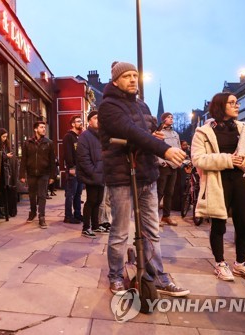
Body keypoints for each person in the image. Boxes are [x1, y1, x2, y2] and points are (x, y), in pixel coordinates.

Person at [99, 61, 190, 296]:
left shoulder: (142, 105)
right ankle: (116, 275)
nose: (132, 79)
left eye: (135, 75)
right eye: (127, 75)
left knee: (152, 230)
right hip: (122, 177)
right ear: (116, 80)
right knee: (120, 230)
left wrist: (151, 135)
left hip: (146, 175)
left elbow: (143, 132)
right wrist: (164, 148)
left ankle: (157, 275)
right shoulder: (108, 106)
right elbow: (130, 131)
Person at [192, 92, 245, 281]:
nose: (237, 105)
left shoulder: (243, 128)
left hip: (242, 179)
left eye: (237, 102)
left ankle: (241, 263)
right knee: (219, 224)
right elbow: (198, 159)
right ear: (220, 106)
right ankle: (220, 263)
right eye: (232, 103)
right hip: (219, 181)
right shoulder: (204, 132)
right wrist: (227, 159)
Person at [76, 110, 108, 238]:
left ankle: (95, 225)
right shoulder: (85, 136)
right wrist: (94, 173)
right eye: (95, 118)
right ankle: (86, 227)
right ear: (89, 120)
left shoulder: (102, 135)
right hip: (93, 175)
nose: (98, 120)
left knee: (98, 201)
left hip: (102, 174)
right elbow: (83, 158)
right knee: (91, 201)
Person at [19, 121, 56, 229]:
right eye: (41, 127)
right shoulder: (27, 143)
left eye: (44, 127)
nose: (44, 129)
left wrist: (52, 176)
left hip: (44, 173)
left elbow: (52, 161)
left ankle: (42, 216)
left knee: (42, 195)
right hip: (31, 173)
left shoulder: (49, 143)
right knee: (31, 195)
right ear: (35, 129)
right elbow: (23, 160)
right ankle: (33, 212)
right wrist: (22, 174)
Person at [156, 112, 181, 226]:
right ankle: (154, 217)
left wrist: (180, 160)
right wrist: (161, 162)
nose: (171, 119)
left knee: (170, 193)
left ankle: (166, 216)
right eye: (168, 117)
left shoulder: (175, 133)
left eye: (172, 117)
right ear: (163, 120)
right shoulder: (159, 133)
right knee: (160, 192)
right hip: (165, 166)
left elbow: (179, 148)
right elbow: (155, 148)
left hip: (174, 165)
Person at [63, 115, 83, 224]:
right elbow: (68, 153)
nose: (80, 123)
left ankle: (77, 214)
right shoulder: (68, 136)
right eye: (78, 121)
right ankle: (68, 216)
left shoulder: (78, 137)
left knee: (78, 193)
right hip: (73, 169)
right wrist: (71, 167)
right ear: (73, 124)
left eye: (81, 121)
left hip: (80, 170)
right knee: (70, 193)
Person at [0, 128, 14, 218]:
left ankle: (3, 210)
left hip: (5, 170)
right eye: (3, 137)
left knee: (4, 191)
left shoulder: (5, 145)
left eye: (6, 137)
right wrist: (6, 156)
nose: (5, 139)